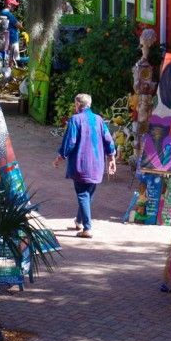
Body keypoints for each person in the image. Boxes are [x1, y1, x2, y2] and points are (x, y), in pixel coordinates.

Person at [54, 93, 117, 238]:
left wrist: (60, 156)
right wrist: (112, 157)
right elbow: (108, 140)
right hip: (97, 164)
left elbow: (70, 141)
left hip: (81, 164)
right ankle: (79, 221)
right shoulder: (99, 120)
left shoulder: (75, 120)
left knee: (82, 194)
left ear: (77, 104)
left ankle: (87, 228)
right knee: (88, 193)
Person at [0, 0, 22, 70]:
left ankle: (8, 72)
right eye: (13, 5)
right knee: (12, 59)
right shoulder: (9, 14)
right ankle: (9, 73)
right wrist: (21, 24)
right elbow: (18, 25)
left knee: (8, 58)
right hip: (12, 39)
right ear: (9, 4)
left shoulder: (1, 13)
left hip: (6, 39)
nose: (15, 7)